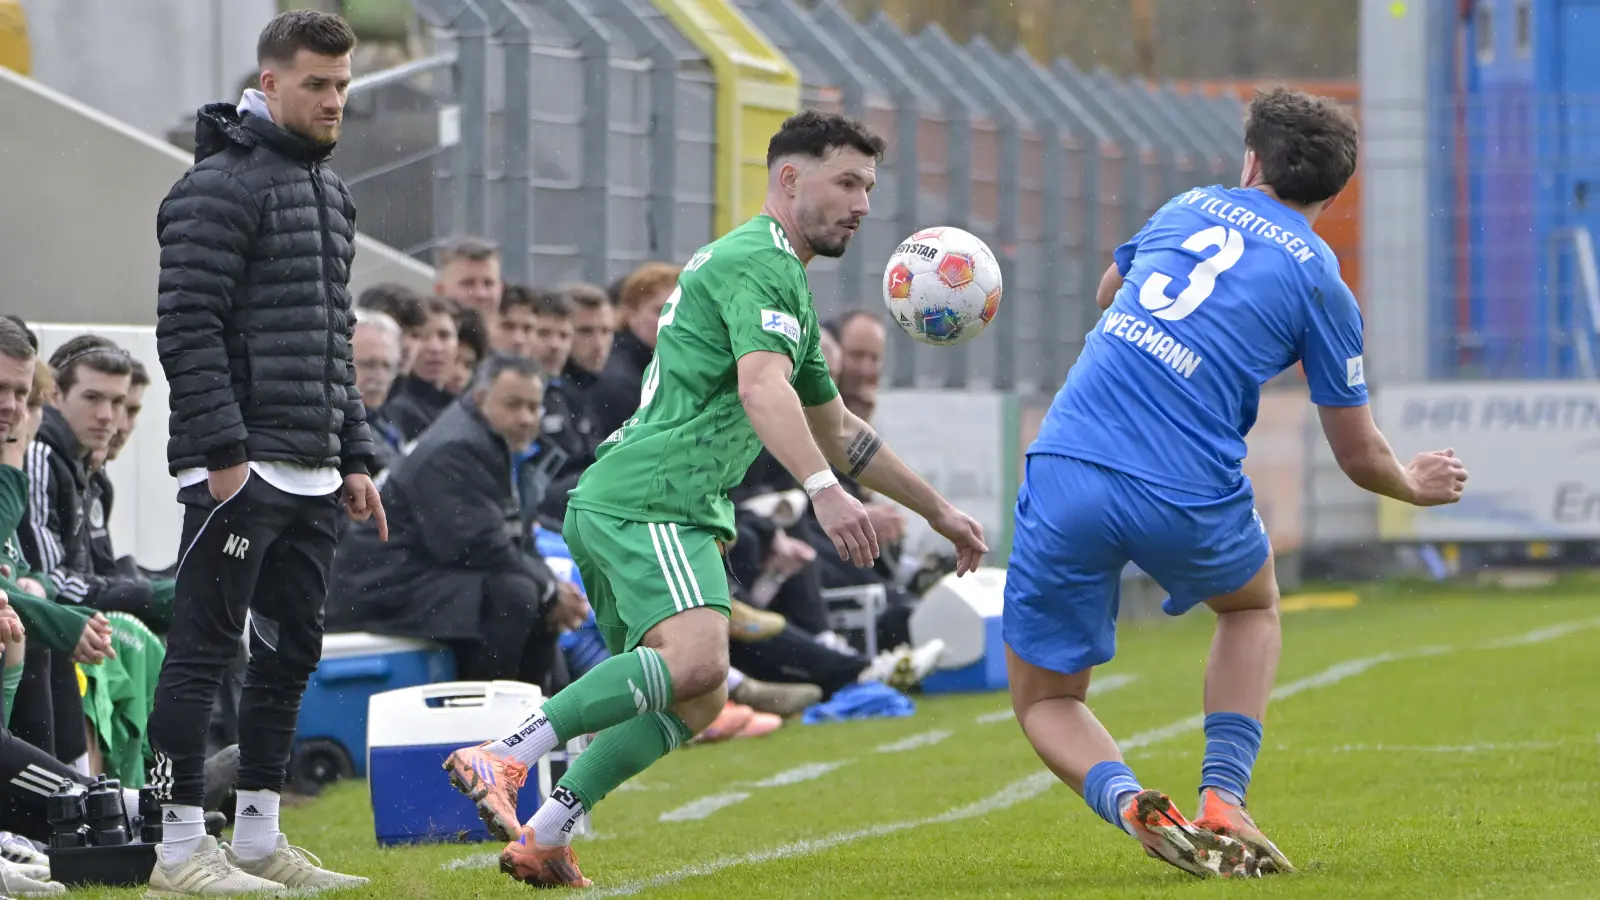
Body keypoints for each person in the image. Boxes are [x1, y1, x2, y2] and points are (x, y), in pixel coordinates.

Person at [441, 109, 988, 888]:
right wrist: (826, 495)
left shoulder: (784, 280)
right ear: (789, 179)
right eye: (847, 182)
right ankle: (503, 754)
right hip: (649, 499)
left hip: (672, 509)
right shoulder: (753, 260)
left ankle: (546, 835)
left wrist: (938, 511)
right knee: (696, 663)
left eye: (869, 186)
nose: (864, 203)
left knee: (695, 699)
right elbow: (762, 388)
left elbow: (837, 428)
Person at [1001, 87, 1470, 880]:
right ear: (1331, 191)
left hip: (1070, 463)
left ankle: (1124, 801)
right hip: (1183, 486)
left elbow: (1107, 295)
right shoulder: (1323, 281)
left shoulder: (1187, 206)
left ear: (1251, 159)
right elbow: (1357, 454)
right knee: (1251, 606)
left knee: (1047, 699)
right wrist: (1413, 485)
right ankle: (1223, 798)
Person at [146, 9, 382, 894]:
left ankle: (254, 839)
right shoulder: (216, 186)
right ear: (270, 81)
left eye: (343, 85)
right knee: (201, 653)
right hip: (240, 466)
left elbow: (334, 337)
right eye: (317, 84)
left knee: (290, 655)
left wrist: (354, 453)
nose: (334, 102)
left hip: (313, 465)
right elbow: (187, 326)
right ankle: (175, 851)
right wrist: (222, 452)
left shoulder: (330, 191)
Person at [325, 354, 588, 691]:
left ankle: (534, 722)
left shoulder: (495, 441)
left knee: (532, 591)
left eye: (533, 407)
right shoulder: (456, 447)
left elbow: (517, 535)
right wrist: (549, 591)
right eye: (513, 404)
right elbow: (476, 544)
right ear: (480, 397)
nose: (525, 418)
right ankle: (484, 722)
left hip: (421, 575)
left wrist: (553, 588)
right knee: (515, 594)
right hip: (377, 589)